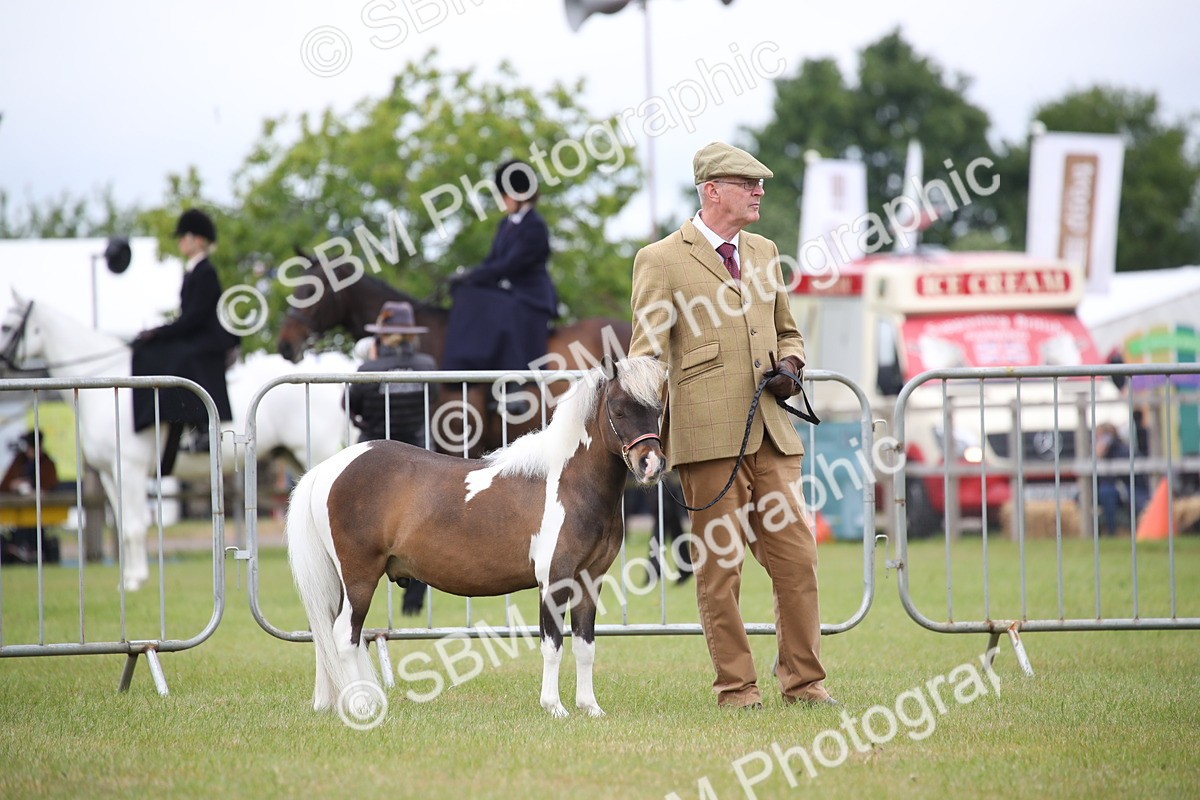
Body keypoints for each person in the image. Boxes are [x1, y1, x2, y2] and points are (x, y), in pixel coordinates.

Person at [629, 141, 834, 710]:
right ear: (712, 190)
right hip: (705, 440)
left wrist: (790, 366)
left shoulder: (766, 251)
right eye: (748, 183)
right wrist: (646, 434)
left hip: (772, 433)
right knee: (721, 574)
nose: (759, 191)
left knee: (798, 562)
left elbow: (787, 330)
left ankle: (804, 683)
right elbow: (645, 354)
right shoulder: (662, 259)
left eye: (760, 183)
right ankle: (737, 689)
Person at [346, 301, 437, 613]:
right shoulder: (427, 365)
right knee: (423, 529)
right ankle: (413, 605)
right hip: (418, 459)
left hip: (372, 462)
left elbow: (349, 405)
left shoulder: (366, 371)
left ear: (380, 337)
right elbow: (433, 398)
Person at [131, 208, 239, 473]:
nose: (180, 242)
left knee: (182, 357)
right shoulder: (192, 270)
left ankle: (201, 425)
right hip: (195, 331)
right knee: (152, 351)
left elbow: (194, 318)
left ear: (198, 240)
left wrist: (161, 331)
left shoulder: (206, 272)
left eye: (185, 237)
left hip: (207, 337)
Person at [440, 159, 557, 378]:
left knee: (496, 309)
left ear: (520, 193)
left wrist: (473, 275)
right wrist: (466, 277)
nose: (501, 201)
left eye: (504, 195)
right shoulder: (506, 224)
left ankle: (515, 382)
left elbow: (510, 265)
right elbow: (491, 261)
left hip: (530, 296)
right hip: (510, 292)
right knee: (466, 292)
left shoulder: (534, 226)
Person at [0, 430, 60, 564]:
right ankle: (18, 549)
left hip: (40, 511)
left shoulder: (47, 463)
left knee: (36, 529)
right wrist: (14, 485)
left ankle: (35, 551)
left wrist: (40, 491)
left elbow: (51, 484)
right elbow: (5, 485)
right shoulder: (19, 461)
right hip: (17, 510)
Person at [1096, 421, 1151, 536]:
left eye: (1101, 436)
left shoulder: (1124, 451)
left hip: (1132, 488)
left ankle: (1113, 532)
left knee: (1107, 492)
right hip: (1116, 489)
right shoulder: (1098, 453)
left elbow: (1118, 478)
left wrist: (1101, 457)